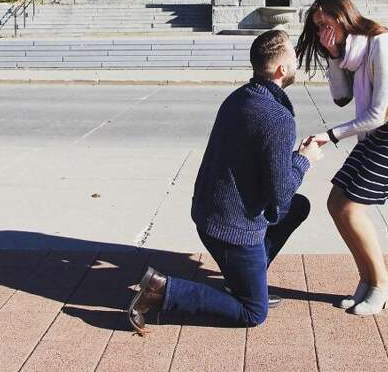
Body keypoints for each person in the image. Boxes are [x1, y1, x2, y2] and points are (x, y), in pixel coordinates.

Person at [128, 30, 323, 332]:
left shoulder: (239, 97)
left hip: (209, 216)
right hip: (233, 232)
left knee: (299, 206)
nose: (298, 60)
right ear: (281, 70)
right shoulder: (277, 117)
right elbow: (280, 193)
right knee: (253, 313)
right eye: (294, 57)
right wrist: (304, 159)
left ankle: (245, 277)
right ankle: (164, 290)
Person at [296, 0, 388, 316]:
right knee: (335, 203)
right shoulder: (351, 53)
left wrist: (329, 136)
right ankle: (367, 280)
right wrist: (331, 53)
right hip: (376, 135)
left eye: (326, 25)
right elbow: (341, 98)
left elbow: (379, 113)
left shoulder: (383, 45)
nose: (322, 33)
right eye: (317, 28)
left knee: (351, 209)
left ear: (343, 18)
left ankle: (382, 282)